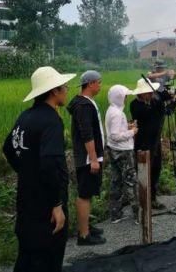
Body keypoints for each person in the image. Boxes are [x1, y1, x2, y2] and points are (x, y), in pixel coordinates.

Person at [3, 66, 75, 272]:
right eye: (64, 86)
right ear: (54, 91)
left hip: (26, 201)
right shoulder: (52, 121)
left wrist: (27, 173)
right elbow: (50, 163)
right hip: (46, 207)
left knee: (27, 257)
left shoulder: (25, 117)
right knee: (48, 259)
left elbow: (8, 148)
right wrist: (56, 204)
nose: (67, 89)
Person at [68, 70, 106, 245]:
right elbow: (86, 133)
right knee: (84, 194)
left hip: (90, 156)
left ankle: (86, 226)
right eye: (98, 82)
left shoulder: (85, 103)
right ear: (90, 84)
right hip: (87, 158)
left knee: (88, 192)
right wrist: (92, 158)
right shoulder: (83, 106)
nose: (100, 85)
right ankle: (83, 235)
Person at [130, 78, 167, 210]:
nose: (151, 94)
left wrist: (173, 99)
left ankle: (152, 199)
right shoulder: (135, 105)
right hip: (143, 144)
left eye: (152, 92)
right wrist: (160, 100)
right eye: (148, 92)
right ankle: (142, 201)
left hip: (155, 142)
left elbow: (163, 113)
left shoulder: (153, 103)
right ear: (141, 93)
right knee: (144, 172)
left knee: (156, 169)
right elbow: (147, 113)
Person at [104, 84, 139, 223]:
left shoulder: (111, 110)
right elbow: (115, 135)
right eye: (124, 96)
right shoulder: (117, 114)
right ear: (118, 97)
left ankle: (115, 214)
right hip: (123, 151)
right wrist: (132, 132)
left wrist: (126, 127)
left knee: (116, 181)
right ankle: (138, 215)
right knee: (131, 182)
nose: (125, 99)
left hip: (113, 150)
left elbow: (115, 132)